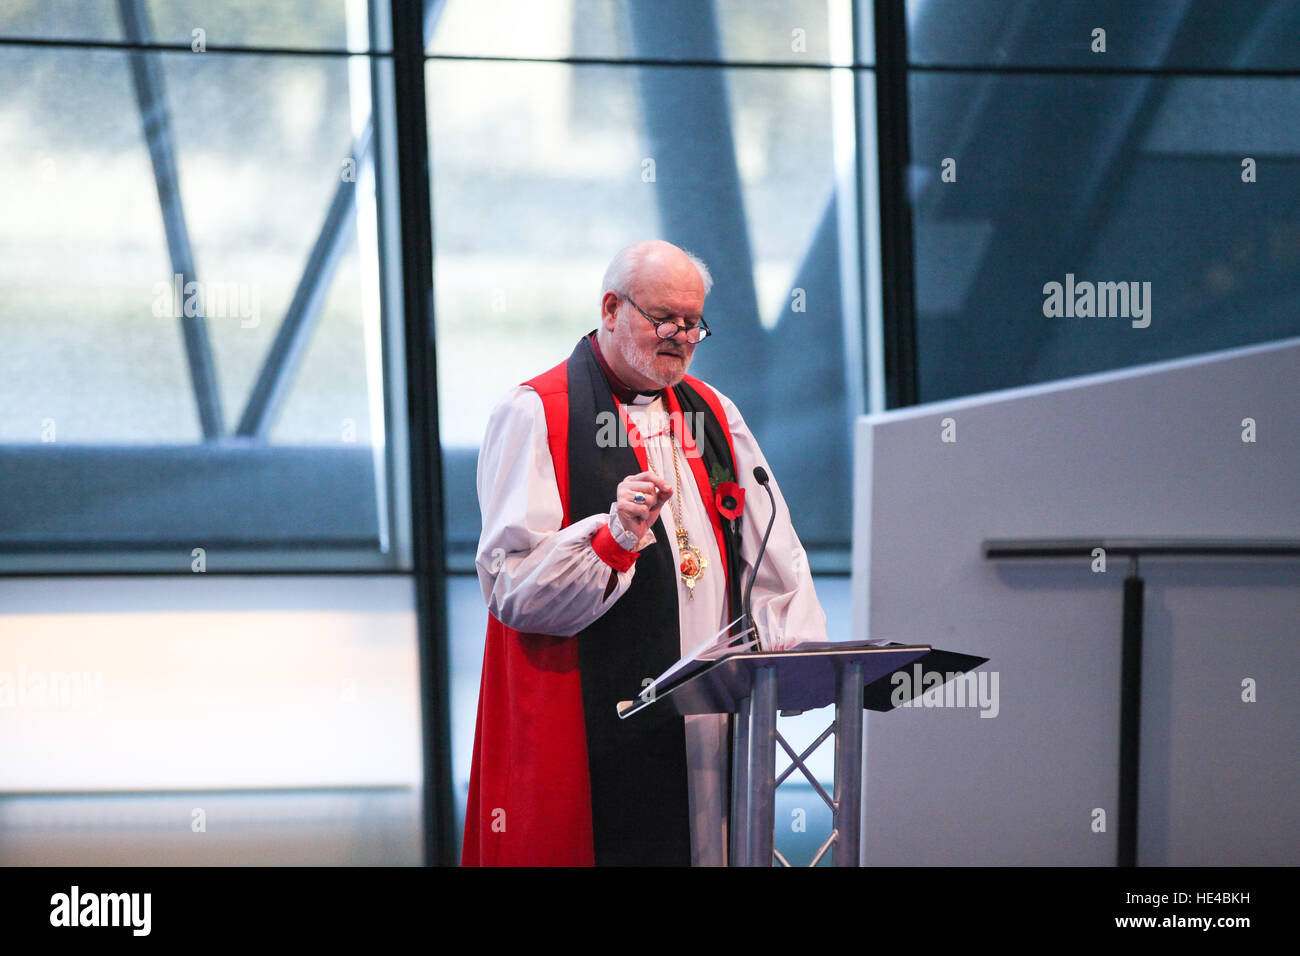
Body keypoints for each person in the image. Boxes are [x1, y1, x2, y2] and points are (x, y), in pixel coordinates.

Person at [462, 239, 827, 866]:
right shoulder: (538, 413)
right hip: (591, 719)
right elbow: (513, 591)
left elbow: (773, 551)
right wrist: (613, 539)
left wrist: (795, 661)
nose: (681, 336)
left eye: (693, 323)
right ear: (610, 308)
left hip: (707, 723)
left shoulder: (712, 412)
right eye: (664, 318)